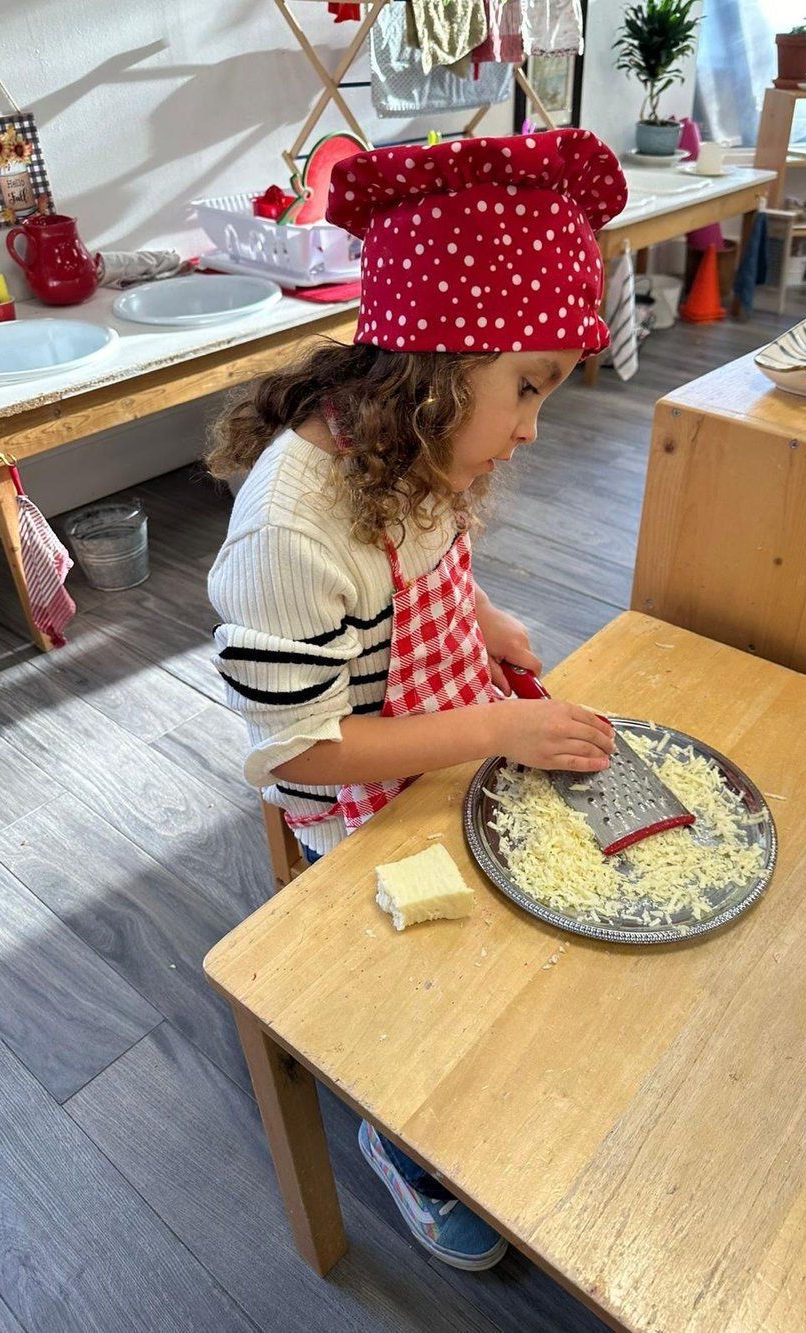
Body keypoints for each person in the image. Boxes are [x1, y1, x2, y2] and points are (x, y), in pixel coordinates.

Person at [207, 128, 627, 1270]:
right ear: (433, 370)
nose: (533, 428)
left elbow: (426, 562)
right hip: (349, 792)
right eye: (526, 388)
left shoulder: (408, 446)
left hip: (429, 726)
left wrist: (478, 618)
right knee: (441, 984)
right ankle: (407, 1136)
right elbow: (297, 750)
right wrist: (495, 726)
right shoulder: (291, 532)